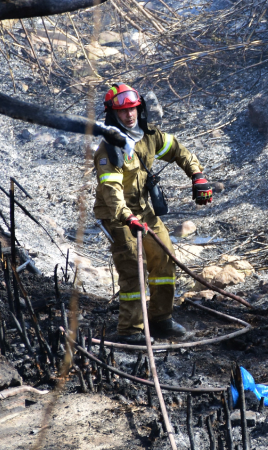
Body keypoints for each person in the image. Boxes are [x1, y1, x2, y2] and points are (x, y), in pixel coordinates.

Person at [93, 84, 213, 344]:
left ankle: (160, 319)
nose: (129, 115)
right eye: (123, 111)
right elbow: (112, 192)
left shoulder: (149, 136)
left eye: (133, 109)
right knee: (133, 267)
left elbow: (178, 150)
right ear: (113, 114)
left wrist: (197, 175)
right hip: (117, 215)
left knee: (164, 256)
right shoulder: (109, 150)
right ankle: (130, 330)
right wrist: (127, 218)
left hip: (143, 210)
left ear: (140, 108)